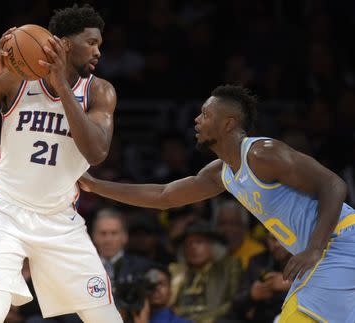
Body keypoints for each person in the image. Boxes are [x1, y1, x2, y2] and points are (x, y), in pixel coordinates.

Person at [79, 84, 355, 322]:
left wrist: (315, 249)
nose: (197, 120)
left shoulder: (263, 153)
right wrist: (96, 185)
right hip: (327, 252)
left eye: (206, 114)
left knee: (297, 316)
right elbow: (164, 195)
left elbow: (333, 185)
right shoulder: (221, 173)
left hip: (339, 243)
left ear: (228, 123)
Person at [0, 4, 122, 323]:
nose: (98, 52)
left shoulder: (99, 91)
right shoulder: (14, 80)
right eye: (91, 43)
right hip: (4, 211)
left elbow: (96, 153)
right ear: (65, 44)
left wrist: (62, 85)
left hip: (59, 217)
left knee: (105, 316)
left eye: (100, 45)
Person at [168, 220, 241, 323]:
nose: (193, 247)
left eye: (199, 242)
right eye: (188, 244)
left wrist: (199, 319)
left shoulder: (229, 267)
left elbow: (234, 302)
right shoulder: (176, 270)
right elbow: (168, 304)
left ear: (213, 246)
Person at [230, 233, 292, 323]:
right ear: (267, 239)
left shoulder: (305, 261)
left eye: (283, 238)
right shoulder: (258, 261)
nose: (277, 244)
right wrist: (251, 295)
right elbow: (236, 303)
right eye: (273, 239)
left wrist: (291, 285)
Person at [214, 199, 265, 270]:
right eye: (222, 223)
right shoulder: (211, 253)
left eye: (233, 223)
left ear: (244, 227)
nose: (227, 229)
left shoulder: (258, 254)